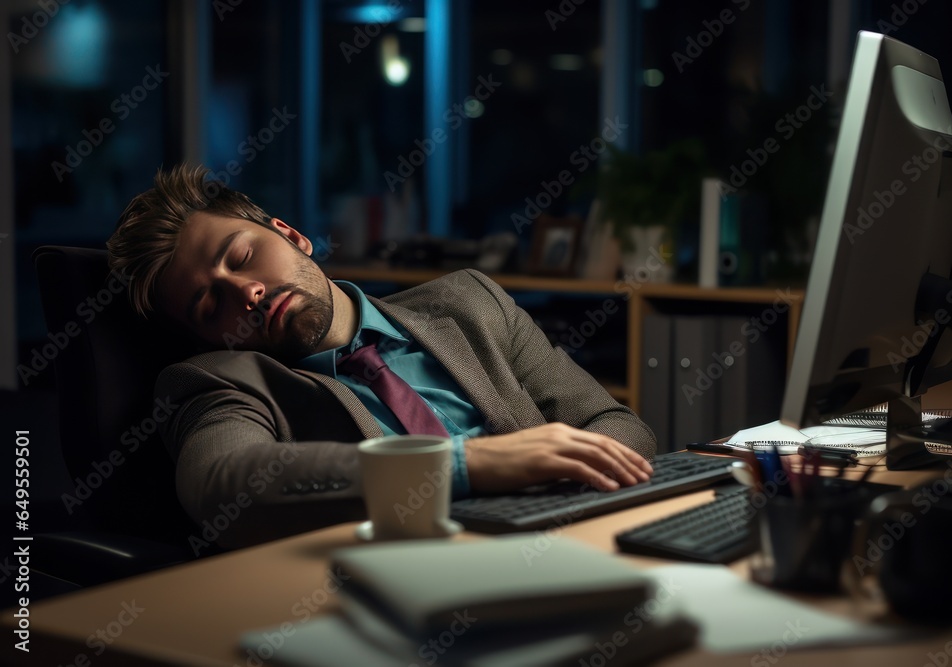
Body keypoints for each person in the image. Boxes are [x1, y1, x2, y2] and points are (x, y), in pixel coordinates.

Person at [106, 164, 656, 549]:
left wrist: (549, 488)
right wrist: (471, 467)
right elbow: (224, 484)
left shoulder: (470, 301)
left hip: (574, 546)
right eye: (210, 304)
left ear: (293, 235)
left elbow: (614, 424)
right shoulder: (219, 383)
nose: (245, 292)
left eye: (243, 256)